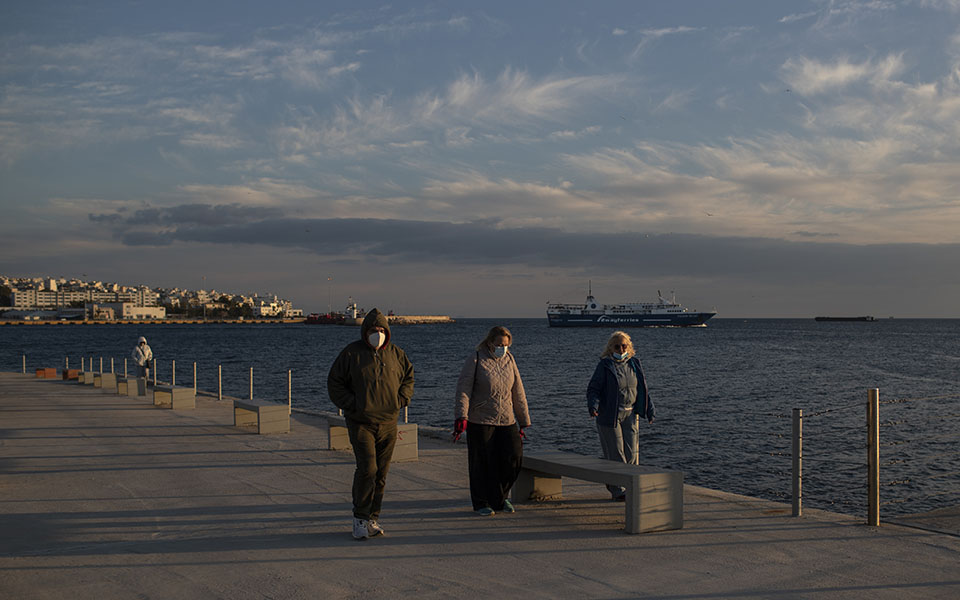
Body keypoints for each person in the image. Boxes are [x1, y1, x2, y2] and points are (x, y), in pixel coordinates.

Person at [327, 308, 414, 540]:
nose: (378, 334)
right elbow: (335, 382)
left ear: (387, 331)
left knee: (381, 473)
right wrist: (352, 404)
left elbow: (409, 377)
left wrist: (402, 399)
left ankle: (373, 518)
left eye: (381, 330)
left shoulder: (396, 354)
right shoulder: (351, 354)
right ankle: (360, 518)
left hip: (388, 422)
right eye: (373, 330)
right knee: (368, 470)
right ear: (365, 332)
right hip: (361, 422)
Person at [453, 326, 531, 516]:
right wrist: (461, 416)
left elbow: (518, 391)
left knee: (513, 458)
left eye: (505, 345)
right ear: (489, 342)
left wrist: (523, 420)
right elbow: (464, 389)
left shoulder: (510, 360)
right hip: (480, 419)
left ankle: (500, 498)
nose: (502, 348)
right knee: (481, 463)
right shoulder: (476, 358)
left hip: (506, 419)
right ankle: (481, 502)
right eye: (498, 344)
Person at [586, 330, 655, 501]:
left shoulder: (634, 363)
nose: (621, 349)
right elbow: (593, 389)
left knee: (632, 454)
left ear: (629, 347)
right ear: (611, 348)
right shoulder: (605, 366)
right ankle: (618, 491)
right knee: (616, 454)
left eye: (624, 346)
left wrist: (650, 410)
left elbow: (642, 389)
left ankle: (631, 486)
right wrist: (593, 406)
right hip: (610, 415)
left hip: (630, 414)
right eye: (617, 346)